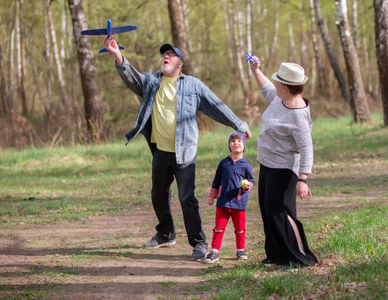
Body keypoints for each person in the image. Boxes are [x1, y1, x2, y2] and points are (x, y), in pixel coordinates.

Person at [103, 36, 252, 261]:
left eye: (171, 55)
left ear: (179, 64)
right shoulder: (152, 81)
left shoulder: (193, 84)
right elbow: (132, 77)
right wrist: (117, 55)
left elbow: (216, 105)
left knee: (186, 198)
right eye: (164, 54)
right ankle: (165, 233)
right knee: (158, 194)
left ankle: (199, 243)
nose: (166, 56)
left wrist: (239, 124)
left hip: (185, 153)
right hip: (160, 150)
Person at [248, 56, 318, 268]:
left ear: (286, 88)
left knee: (280, 213)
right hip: (268, 164)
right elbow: (268, 90)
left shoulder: (297, 116)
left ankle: (297, 257)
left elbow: (307, 148)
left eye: (278, 82)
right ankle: (276, 255)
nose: (275, 84)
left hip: (285, 169)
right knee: (267, 210)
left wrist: (303, 179)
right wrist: (256, 70)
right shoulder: (281, 99)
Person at [205, 132, 254, 263]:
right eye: (233, 141)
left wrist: (247, 186)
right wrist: (212, 196)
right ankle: (214, 251)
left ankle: (240, 250)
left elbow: (251, 180)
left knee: (240, 228)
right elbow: (216, 181)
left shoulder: (246, 164)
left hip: (239, 202)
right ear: (229, 145)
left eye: (239, 141)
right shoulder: (224, 163)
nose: (236, 143)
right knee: (219, 227)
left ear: (244, 146)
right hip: (222, 202)